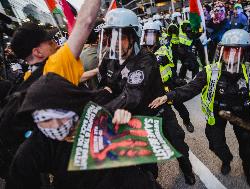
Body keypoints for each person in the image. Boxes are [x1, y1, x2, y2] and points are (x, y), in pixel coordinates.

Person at [149, 29, 250, 189]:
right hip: (217, 113)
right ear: (221, 51)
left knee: (249, 149)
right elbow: (191, 88)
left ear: (244, 53)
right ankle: (226, 159)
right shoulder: (210, 71)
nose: (230, 55)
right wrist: (169, 96)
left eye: (235, 51)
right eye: (227, 50)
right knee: (215, 143)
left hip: (243, 114)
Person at [0, 0, 102, 179]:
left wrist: (95, 70)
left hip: (59, 167)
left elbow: (73, 79)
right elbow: (86, 21)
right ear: (38, 52)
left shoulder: (26, 82)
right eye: (50, 41)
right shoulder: (56, 63)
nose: (56, 44)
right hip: (86, 159)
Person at [6, 73, 159, 189]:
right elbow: (18, 180)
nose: (55, 126)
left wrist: (123, 121)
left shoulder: (94, 115)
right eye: (46, 120)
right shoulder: (36, 146)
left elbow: (132, 143)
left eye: (61, 117)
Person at [98, 8, 196, 185]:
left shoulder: (146, 59)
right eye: (112, 36)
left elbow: (132, 95)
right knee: (147, 162)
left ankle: (187, 170)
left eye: (121, 37)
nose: (116, 42)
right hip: (136, 120)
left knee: (178, 144)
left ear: (134, 36)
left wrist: (100, 114)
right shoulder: (109, 59)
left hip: (158, 113)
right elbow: (104, 87)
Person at [141, 20, 194, 132]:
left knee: (180, 106)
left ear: (158, 35)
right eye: (147, 34)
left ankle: (187, 121)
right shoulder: (142, 51)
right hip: (156, 87)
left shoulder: (163, 48)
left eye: (153, 34)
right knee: (162, 110)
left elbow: (161, 58)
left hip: (169, 83)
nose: (150, 37)